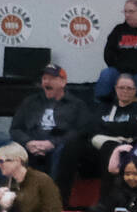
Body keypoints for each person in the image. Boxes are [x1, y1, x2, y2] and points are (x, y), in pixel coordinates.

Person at [8, 66, 86, 198]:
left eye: (52, 78)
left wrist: (52, 143)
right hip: (30, 143)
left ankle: (53, 198)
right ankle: (4, 198)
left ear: (63, 82)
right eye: (44, 78)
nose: (46, 82)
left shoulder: (76, 104)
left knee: (65, 150)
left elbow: (81, 131)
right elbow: (15, 129)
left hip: (58, 145)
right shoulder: (30, 102)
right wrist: (28, 142)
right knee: (1, 144)